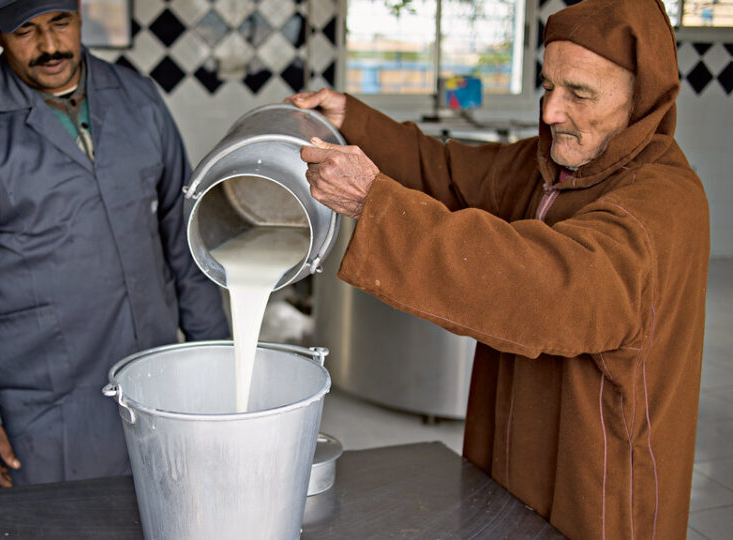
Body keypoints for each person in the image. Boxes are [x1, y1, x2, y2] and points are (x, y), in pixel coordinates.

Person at [290, 0, 709, 538]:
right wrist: (356, 122)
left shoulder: (660, 206)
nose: (552, 111)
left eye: (579, 93)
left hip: (598, 481)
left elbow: (546, 289)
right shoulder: (550, 167)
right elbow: (449, 172)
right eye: (548, 85)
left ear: (643, 100)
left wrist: (376, 204)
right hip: (515, 456)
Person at [0, 0, 229, 488]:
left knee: (163, 507)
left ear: (81, 15)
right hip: (45, 400)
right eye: (26, 31)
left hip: (153, 378)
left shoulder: (139, 101)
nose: (49, 46)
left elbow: (185, 238)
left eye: (59, 23)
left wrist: (217, 358)